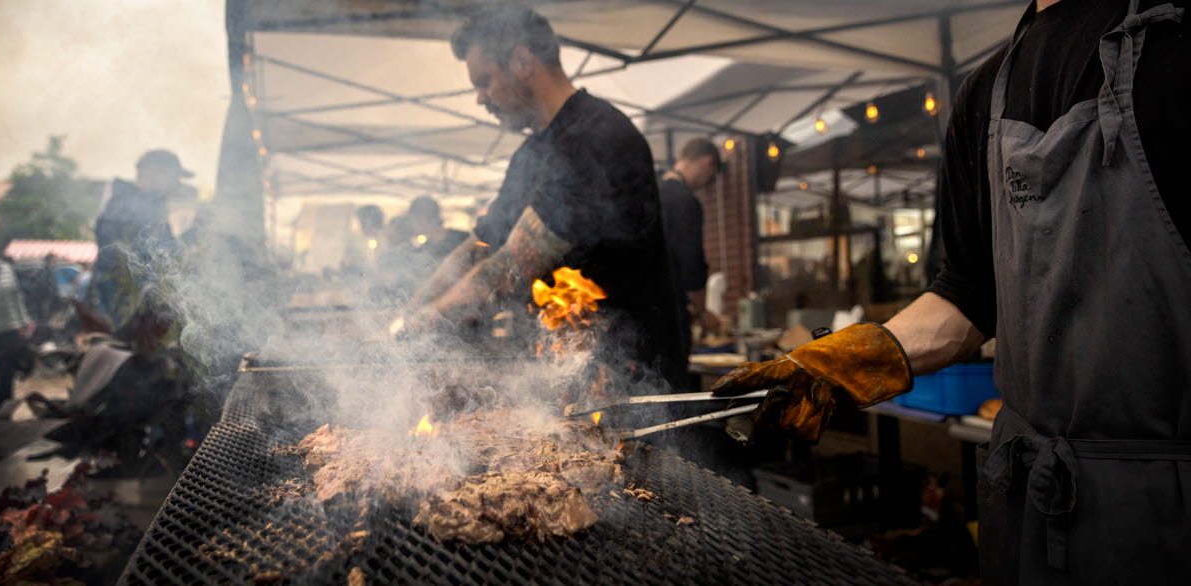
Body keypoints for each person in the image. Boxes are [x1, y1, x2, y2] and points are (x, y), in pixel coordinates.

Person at [710, 1, 1191, 584]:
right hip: (1026, 500)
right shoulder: (985, 92)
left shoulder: (1174, 45)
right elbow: (967, 296)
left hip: (1167, 504)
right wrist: (846, 360)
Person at [405, 5, 685, 387]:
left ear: (522, 61)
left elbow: (509, 266)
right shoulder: (530, 155)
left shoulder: (595, 138)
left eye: (484, 81)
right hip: (565, 369)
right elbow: (483, 244)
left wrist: (429, 320)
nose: (479, 98)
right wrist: (410, 309)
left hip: (626, 377)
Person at [85, 149, 185, 346]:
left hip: (141, 295)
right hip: (125, 297)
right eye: (174, 175)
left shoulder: (150, 204)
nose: (177, 183)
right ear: (153, 172)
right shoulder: (127, 204)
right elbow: (117, 252)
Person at [659, 137, 720, 362]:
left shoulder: (652, 190)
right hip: (670, 320)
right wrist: (702, 312)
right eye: (711, 177)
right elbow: (691, 264)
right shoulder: (685, 201)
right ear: (707, 161)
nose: (706, 183)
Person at [0, 243, 34, 412]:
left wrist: (24, 322)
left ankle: (4, 413)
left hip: (8, 329)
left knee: (6, 374)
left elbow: (17, 298)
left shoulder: (6, 269)